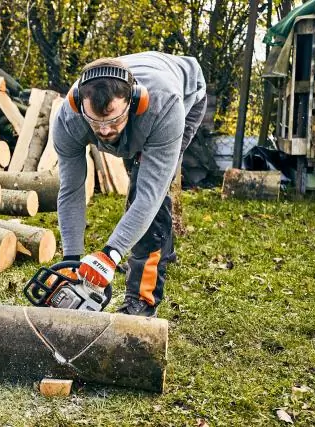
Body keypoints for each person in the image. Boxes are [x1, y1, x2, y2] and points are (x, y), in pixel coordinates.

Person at [53, 51, 207, 317]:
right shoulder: (69, 119)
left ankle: (141, 299)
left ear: (135, 101)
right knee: (138, 178)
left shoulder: (163, 106)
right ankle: (159, 251)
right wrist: (71, 259)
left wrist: (110, 254)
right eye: (95, 121)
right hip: (140, 113)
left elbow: (150, 195)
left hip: (188, 92)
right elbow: (71, 190)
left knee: (148, 191)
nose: (103, 131)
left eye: (113, 120)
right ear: (79, 104)